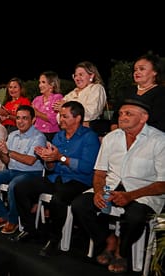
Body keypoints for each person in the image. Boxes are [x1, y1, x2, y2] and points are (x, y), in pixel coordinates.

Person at [71, 98, 165, 273]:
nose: (122, 117)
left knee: (135, 216)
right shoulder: (111, 138)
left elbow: (162, 184)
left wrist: (130, 196)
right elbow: (100, 173)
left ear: (144, 118)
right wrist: (99, 191)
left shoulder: (159, 140)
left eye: (128, 113)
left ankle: (122, 252)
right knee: (80, 205)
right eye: (121, 113)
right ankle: (108, 239)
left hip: (143, 192)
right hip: (111, 187)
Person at [12, 101, 100, 257]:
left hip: (78, 181)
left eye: (65, 116)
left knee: (57, 199)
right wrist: (48, 159)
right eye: (60, 116)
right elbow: (51, 168)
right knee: (20, 187)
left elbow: (86, 167)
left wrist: (60, 157)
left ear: (78, 118)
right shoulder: (59, 136)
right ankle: (30, 229)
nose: (61, 120)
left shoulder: (89, 137)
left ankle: (54, 239)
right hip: (56, 178)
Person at [0, 105, 46, 235]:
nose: (20, 121)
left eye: (25, 118)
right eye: (18, 118)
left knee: (14, 186)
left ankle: (13, 221)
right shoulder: (13, 135)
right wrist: (2, 151)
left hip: (31, 173)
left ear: (33, 120)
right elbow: (7, 161)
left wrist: (8, 151)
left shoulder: (39, 137)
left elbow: (30, 161)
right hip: (13, 170)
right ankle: (4, 215)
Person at [110, 52, 165, 132]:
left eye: (142, 69)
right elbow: (116, 116)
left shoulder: (161, 93)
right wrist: (115, 130)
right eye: (135, 69)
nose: (137, 72)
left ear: (154, 72)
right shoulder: (126, 91)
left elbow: (159, 122)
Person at [55, 61, 107, 136]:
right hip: (70, 133)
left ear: (91, 76)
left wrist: (66, 109)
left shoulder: (96, 88)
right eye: (75, 75)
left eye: (81, 75)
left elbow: (92, 113)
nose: (77, 78)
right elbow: (58, 117)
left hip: (88, 133)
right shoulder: (71, 94)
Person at [31, 71, 64, 142]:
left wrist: (37, 113)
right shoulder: (36, 99)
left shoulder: (57, 98)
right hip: (36, 133)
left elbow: (55, 119)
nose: (40, 85)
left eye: (43, 82)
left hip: (51, 134)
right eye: (39, 82)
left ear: (52, 84)